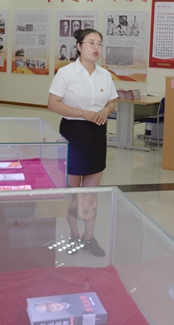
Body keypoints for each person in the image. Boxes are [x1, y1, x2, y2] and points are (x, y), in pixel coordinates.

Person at [48, 28, 117, 257]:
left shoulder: (104, 75)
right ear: (79, 47)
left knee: (90, 193)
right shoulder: (66, 73)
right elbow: (53, 103)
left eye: (99, 43)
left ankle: (89, 237)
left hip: (97, 133)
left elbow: (112, 101)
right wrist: (82, 113)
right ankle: (74, 235)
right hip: (73, 133)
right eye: (91, 43)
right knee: (73, 191)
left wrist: (106, 110)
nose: (96, 48)